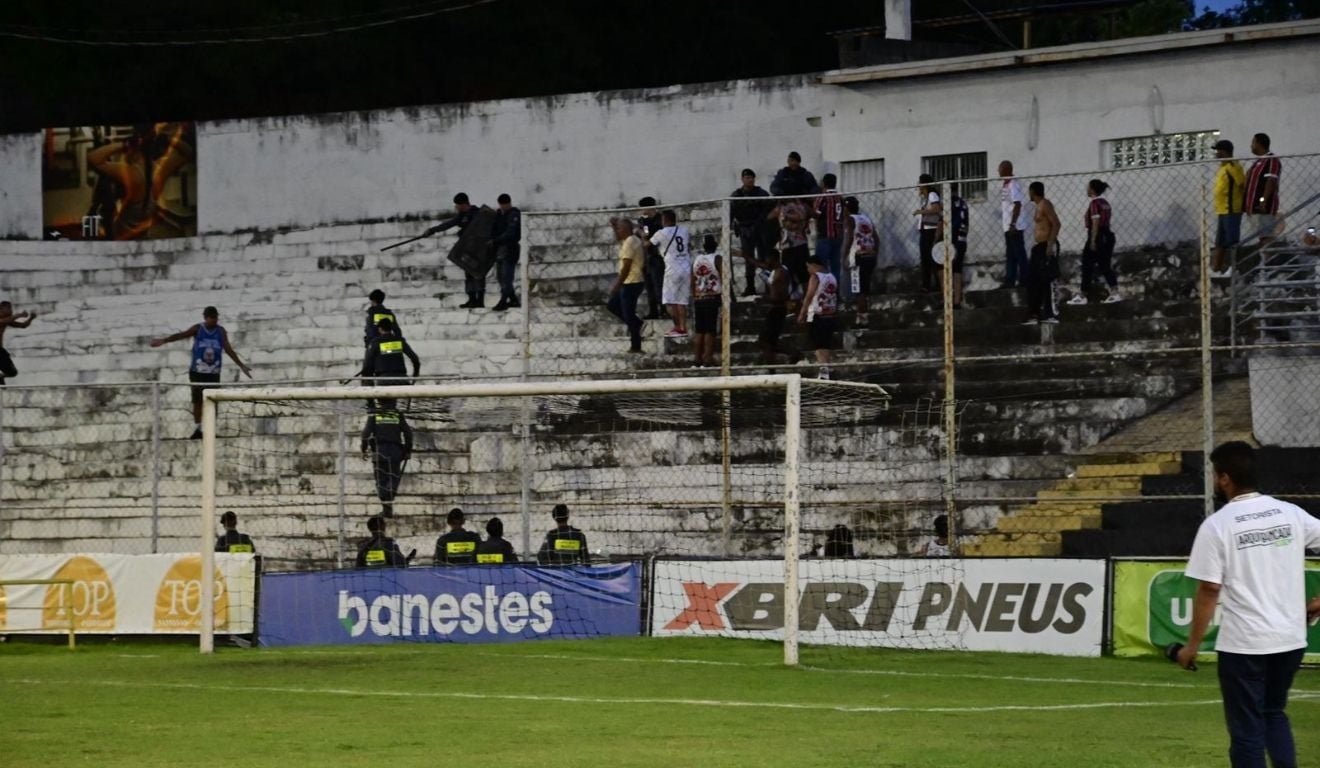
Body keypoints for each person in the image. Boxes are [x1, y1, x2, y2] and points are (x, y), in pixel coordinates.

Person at [1177, 441, 1320, 767]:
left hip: (1245, 645)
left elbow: (1209, 589)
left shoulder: (1218, 525)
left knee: (1246, 730)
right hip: (1289, 639)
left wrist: (1191, 647)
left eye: (1216, 475)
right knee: (1273, 713)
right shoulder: (1290, 513)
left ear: (1225, 478)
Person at [150, 306, 253, 439]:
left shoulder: (220, 331)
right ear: (205, 318)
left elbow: (228, 349)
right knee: (197, 401)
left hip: (213, 372)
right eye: (211, 318)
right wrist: (164, 340)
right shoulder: (198, 329)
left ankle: (210, 429)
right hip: (198, 372)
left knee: (214, 400)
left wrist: (241, 365)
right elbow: (181, 335)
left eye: (216, 318)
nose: (214, 320)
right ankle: (198, 428)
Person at [426, 193, 485, 308]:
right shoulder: (461, 216)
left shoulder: (478, 213)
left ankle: (480, 300)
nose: (456, 207)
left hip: (479, 250)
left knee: (478, 275)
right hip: (468, 249)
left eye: (457, 205)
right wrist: (432, 230)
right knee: (469, 275)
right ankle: (471, 298)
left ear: (463, 204)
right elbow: (448, 224)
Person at [1068, 179, 1121, 305]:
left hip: (1097, 236)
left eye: (1088, 187)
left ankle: (1083, 295)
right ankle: (1114, 292)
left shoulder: (1095, 203)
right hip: (1107, 235)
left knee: (1087, 265)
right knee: (1105, 265)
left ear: (1092, 189)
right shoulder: (1105, 203)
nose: (1086, 189)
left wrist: (1092, 240)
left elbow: (1096, 223)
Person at [361, 400, 413, 518]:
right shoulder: (397, 415)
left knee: (381, 481)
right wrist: (407, 450)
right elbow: (408, 434)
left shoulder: (375, 415)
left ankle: (386, 507)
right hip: (395, 452)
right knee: (393, 479)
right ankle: (388, 506)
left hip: (380, 452)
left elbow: (365, 434)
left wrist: (364, 449)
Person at [607, 217, 647, 354]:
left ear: (626, 229)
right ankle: (637, 324)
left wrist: (617, 285)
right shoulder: (632, 239)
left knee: (628, 314)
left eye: (619, 228)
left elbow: (626, 267)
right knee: (613, 305)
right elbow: (618, 237)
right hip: (633, 281)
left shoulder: (630, 242)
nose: (617, 231)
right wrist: (614, 227)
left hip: (630, 281)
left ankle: (636, 345)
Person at [649, 210, 692, 338]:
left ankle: (677, 326)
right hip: (685, 267)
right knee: (682, 301)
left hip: (672, 269)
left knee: (669, 301)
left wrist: (641, 233)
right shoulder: (684, 231)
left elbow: (647, 244)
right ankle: (683, 327)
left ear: (664, 220)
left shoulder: (661, 233)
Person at [1023, 181, 1061, 326]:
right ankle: (1035, 313)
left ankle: (1052, 314)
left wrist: (1050, 245)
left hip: (1047, 245)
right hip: (1038, 246)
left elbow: (1056, 224)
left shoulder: (1046, 204)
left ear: (1033, 191)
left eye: (1030, 191)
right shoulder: (1038, 207)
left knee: (1048, 279)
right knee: (1033, 280)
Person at [730, 169, 771, 297]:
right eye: (747, 177)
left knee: (763, 257)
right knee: (748, 258)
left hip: (760, 229)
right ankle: (750, 286)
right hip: (745, 229)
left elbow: (768, 208)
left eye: (751, 177)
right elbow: (731, 212)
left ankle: (768, 286)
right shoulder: (737, 195)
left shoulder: (761, 193)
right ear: (742, 179)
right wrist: (732, 225)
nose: (750, 180)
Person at [797, 256, 838, 380]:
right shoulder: (832, 277)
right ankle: (826, 367)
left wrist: (802, 313)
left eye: (808, 267)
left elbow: (809, 296)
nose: (808, 270)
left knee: (818, 345)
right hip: (830, 313)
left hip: (817, 313)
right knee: (825, 343)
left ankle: (824, 371)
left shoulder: (815, 277)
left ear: (813, 265)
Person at [1211, 139, 1247, 277]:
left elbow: (1242, 185)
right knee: (1220, 242)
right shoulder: (1223, 167)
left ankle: (1234, 268)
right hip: (1222, 210)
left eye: (1218, 151)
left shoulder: (1233, 166)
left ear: (1225, 151)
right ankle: (1216, 268)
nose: (1216, 154)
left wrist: (1243, 203)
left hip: (1231, 209)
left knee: (1232, 241)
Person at [842, 197, 879, 316]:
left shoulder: (850, 220)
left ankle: (862, 318)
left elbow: (849, 239)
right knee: (865, 288)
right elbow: (876, 238)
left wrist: (845, 256)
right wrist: (874, 252)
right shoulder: (866, 219)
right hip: (870, 256)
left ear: (846, 208)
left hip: (859, 257)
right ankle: (865, 314)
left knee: (858, 290)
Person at [1244, 133, 1282, 248]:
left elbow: (1271, 180)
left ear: (1259, 144)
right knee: (1261, 237)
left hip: (1264, 207)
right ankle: (1264, 262)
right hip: (1254, 207)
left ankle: (1270, 262)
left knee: (1267, 236)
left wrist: (1263, 200)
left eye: (1253, 142)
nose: (1251, 146)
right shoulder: (1258, 162)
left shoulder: (1271, 160)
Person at [360, 317, 420, 388]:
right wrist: (415, 375)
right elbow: (415, 359)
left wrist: (369, 384)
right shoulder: (399, 341)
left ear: (380, 329)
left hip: (384, 380)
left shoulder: (375, 343)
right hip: (402, 379)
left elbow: (367, 365)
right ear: (391, 328)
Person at [691, 234, 722, 368]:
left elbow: (692, 279)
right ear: (715, 245)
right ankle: (707, 358)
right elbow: (724, 276)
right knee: (710, 330)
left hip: (700, 297)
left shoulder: (697, 259)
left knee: (699, 330)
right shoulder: (717, 258)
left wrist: (695, 294)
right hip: (712, 296)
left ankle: (697, 358)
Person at [813, 174, 847, 299]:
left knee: (821, 266)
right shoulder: (840, 198)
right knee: (835, 266)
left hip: (825, 235)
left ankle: (824, 293)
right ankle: (836, 294)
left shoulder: (822, 198)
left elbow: (817, 214)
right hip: (838, 235)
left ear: (823, 183)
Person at [999, 161, 1030, 289]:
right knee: (1011, 255)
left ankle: (1025, 279)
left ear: (1006, 169)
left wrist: (1013, 223)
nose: (998, 171)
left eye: (1000, 168)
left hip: (1014, 225)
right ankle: (1010, 280)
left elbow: (1017, 204)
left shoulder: (1013, 184)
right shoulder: (1005, 184)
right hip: (1007, 225)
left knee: (1019, 254)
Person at [773, 197, 811, 300]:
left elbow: (788, 222)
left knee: (790, 273)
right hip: (798, 244)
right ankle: (805, 298)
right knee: (802, 275)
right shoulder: (802, 207)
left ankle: (790, 298)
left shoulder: (783, 208)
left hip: (790, 246)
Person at [490, 193, 522, 311]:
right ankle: (512, 298)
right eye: (501, 205)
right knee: (500, 276)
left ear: (509, 203)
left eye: (504, 204)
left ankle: (504, 300)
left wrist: (496, 240)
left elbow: (511, 232)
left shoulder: (514, 214)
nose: (503, 207)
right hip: (500, 248)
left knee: (506, 276)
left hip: (510, 248)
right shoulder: (500, 215)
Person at [757, 250, 790, 365]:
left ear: (773, 259)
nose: (766, 261)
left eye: (768, 259)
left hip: (778, 308)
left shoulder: (781, 272)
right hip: (775, 307)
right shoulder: (775, 271)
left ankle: (792, 354)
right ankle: (772, 364)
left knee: (766, 341)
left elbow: (779, 292)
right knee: (768, 341)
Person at [913, 174, 943, 294]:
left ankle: (930, 284)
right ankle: (928, 284)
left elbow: (936, 209)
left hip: (930, 230)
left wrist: (921, 211)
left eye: (920, 183)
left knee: (930, 258)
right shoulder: (926, 198)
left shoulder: (932, 195)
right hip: (926, 230)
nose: (918, 186)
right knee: (926, 258)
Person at [637, 198, 666, 319]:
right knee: (649, 285)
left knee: (659, 283)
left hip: (657, 255)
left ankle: (664, 310)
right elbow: (641, 232)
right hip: (646, 256)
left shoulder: (659, 220)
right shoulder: (643, 221)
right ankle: (653, 310)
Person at [0, 301, 35, 386]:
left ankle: (1, 377)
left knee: (13, 373)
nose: (11, 311)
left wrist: (31, 318)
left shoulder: (7, 320)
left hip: (0, 351)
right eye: (8, 308)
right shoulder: (4, 320)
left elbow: (23, 325)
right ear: (1, 309)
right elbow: (3, 321)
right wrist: (19, 315)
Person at [946, 184, 969, 309]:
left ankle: (949, 299)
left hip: (953, 240)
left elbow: (952, 224)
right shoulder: (962, 203)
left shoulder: (951, 203)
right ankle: (957, 300)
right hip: (962, 239)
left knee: (949, 269)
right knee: (957, 269)